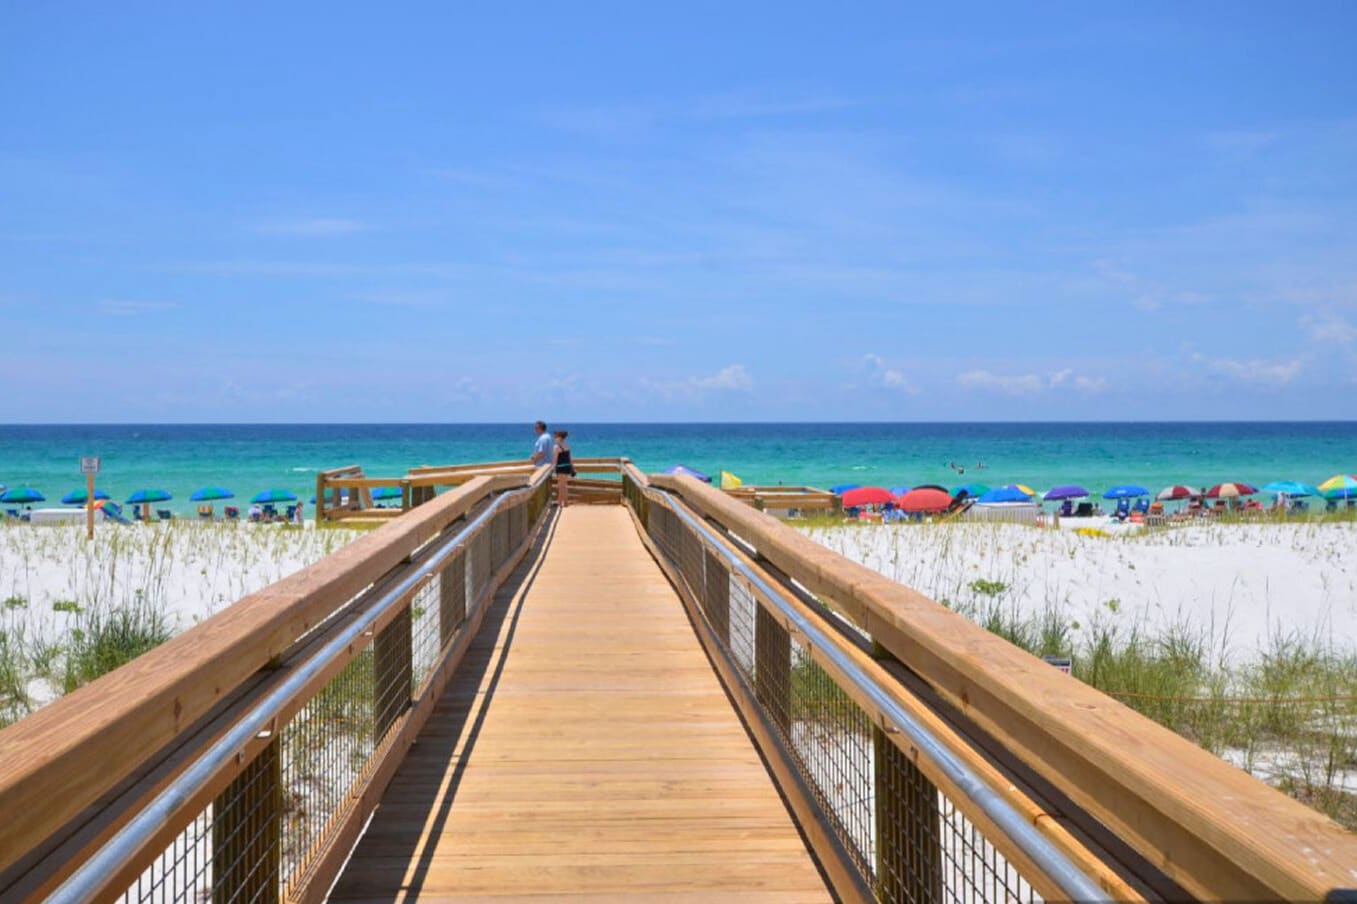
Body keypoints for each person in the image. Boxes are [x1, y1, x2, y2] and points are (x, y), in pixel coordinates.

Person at [552, 430, 575, 507]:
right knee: (564, 485)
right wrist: (573, 468)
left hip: (560, 467)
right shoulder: (566, 445)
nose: (554, 438)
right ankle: (565, 502)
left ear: (559, 437)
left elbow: (554, 460)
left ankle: (560, 503)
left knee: (561, 486)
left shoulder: (556, 447)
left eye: (555, 436)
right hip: (567, 467)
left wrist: (553, 469)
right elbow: (570, 458)